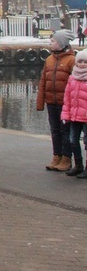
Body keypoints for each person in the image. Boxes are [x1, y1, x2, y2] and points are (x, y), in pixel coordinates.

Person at [38, 30, 76, 172]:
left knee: (65, 131)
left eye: (53, 41)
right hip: (51, 102)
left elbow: (75, 83)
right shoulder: (49, 59)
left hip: (65, 104)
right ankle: (56, 156)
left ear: (61, 43)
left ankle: (67, 158)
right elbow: (43, 81)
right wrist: (41, 101)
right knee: (54, 130)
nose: (50, 43)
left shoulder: (71, 60)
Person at [61, 49, 87, 177]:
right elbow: (67, 99)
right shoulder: (72, 78)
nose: (82, 64)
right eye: (80, 61)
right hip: (74, 116)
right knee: (73, 140)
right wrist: (65, 115)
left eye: (85, 62)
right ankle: (78, 165)